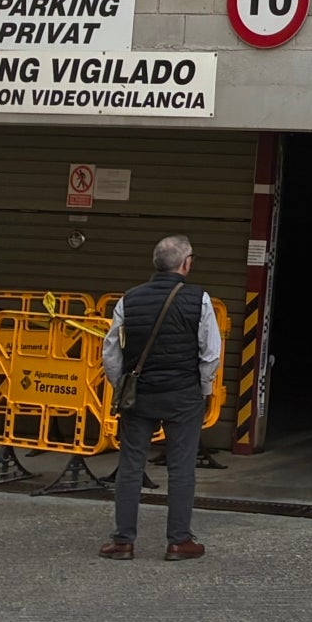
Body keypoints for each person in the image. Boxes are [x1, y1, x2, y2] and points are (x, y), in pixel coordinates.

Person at [98, 233, 221, 562]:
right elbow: (211, 353)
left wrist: (121, 385)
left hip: (140, 396)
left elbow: (110, 352)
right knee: (181, 468)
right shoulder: (200, 300)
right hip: (183, 395)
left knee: (130, 466)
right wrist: (204, 389)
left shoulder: (129, 299)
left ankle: (123, 542)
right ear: (186, 263)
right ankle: (179, 542)